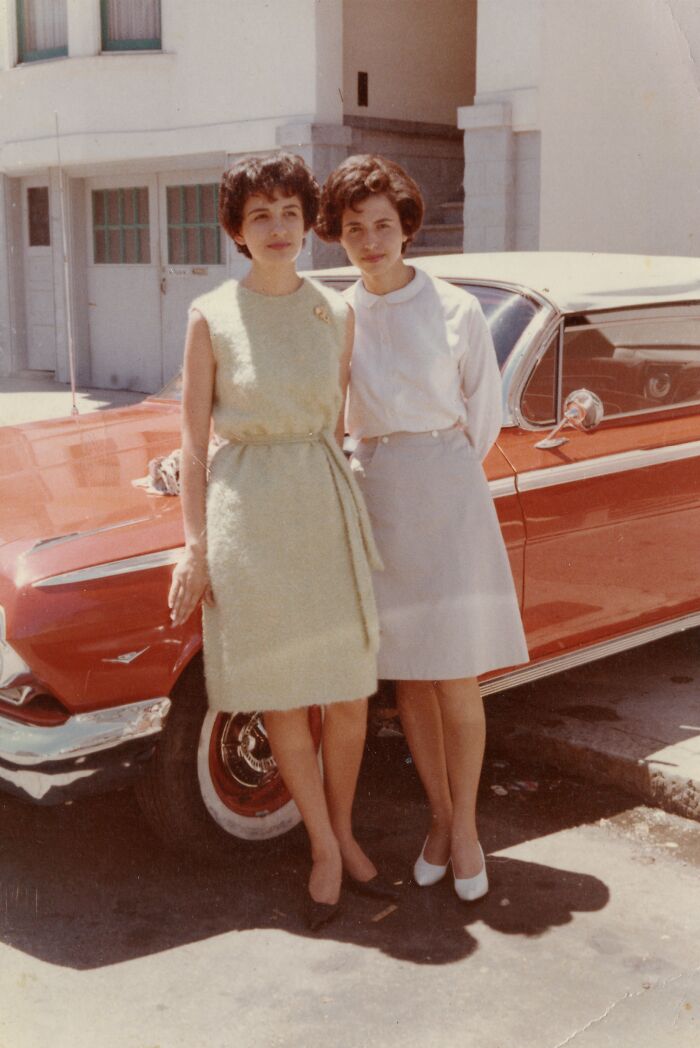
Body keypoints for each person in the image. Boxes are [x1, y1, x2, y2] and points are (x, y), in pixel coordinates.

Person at [168, 152, 395, 930]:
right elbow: (192, 441)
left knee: (350, 692)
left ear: (307, 223)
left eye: (290, 212)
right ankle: (325, 849)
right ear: (236, 229)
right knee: (286, 697)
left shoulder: (335, 311)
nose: (277, 227)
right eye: (259, 214)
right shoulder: (210, 315)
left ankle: (344, 831)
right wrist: (195, 545)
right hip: (251, 516)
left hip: (324, 505)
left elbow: (340, 421)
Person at [316, 155, 529, 901]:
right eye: (354, 229)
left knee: (456, 672)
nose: (370, 241)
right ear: (338, 236)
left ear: (406, 227)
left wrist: (437, 467)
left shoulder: (455, 308)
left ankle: (465, 829)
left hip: (446, 485)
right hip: (374, 490)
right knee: (410, 674)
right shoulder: (337, 314)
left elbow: (483, 414)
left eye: (383, 225)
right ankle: (438, 819)